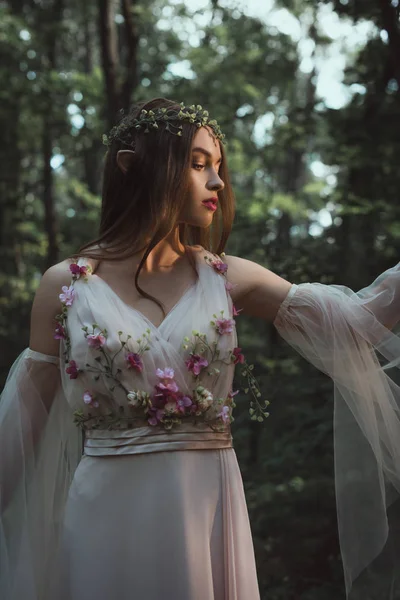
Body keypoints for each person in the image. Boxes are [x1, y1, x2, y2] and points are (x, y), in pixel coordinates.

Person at [0, 97, 400, 600]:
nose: (218, 183)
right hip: (106, 521)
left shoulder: (226, 277)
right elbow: (21, 430)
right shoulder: (67, 285)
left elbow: (359, 324)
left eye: (218, 167)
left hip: (206, 516)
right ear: (137, 167)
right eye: (197, 164)